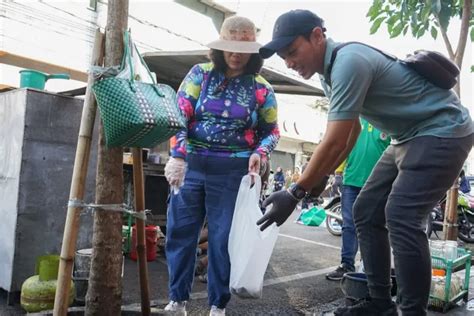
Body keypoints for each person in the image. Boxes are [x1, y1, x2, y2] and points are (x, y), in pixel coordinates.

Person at [257, 9, 472, 316]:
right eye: (284, 57)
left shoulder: (349, 62)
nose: (290, 63)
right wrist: (320, 178)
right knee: (366, 209)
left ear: (317, 36)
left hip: (443, 129)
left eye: (293, 52)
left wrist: (295, 192)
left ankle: (412, 311)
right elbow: (352, 132)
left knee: (401, 215)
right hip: (407, 136)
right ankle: (379, 301)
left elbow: (335, 139)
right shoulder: (329, 74)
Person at [164, 15, 279, 316]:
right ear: (219, 47)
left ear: (254, 53)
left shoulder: (261, 88)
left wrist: (262, 152)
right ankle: (177, 300)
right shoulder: (199, 74)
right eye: (230, 46)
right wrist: (177, 156)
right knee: (180, 234)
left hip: (232, 173)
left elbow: (272, 132)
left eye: (243, 48)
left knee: (222, 240)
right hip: (190, 167)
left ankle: (218, 305)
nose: (236, 54)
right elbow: (179, 116)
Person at [326, 118, 390, 281]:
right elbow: (343, 146)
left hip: (377, 183)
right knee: (349, 225)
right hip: (351, 182)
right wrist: (338, 173)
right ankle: (346, 265)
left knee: (373, 227)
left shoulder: (386, 119)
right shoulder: (354, 119)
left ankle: (369, 267)